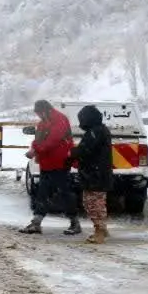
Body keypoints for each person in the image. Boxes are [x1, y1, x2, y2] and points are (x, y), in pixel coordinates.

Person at [20, 99, 81, 235]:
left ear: (46, 110)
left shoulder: (60, 119)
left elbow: (53, 140)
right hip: (47, 163)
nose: (39, 116)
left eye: (40, 113)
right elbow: (39, 139)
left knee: (65, 193)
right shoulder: (42, 123)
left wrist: (35, 149)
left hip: (60, 162)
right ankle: (36, 223)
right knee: (43, 193)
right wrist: (34, 149)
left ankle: (75, 223)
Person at [71, 104, 113, 244]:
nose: (81, 122)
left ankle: (99, 232)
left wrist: (71, 153)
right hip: (96, 173)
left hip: (96, 174)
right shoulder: (99, 130)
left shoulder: (95, 132)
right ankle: (102, 229)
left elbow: (85, 150)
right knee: (93, 202)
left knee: (94, 203)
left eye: (81, 119)